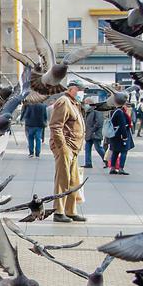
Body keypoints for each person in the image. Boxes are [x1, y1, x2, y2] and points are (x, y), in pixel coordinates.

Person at [47, 81, 86, 222]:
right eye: (79, 89)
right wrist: (62, 147)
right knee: (62, 180)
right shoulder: (64, 101)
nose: (81, 92)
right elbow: (55, 126)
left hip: (74, 147)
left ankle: (70, 211)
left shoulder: (74, 103)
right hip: (66, 147)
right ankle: (58, 211)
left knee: (74, 181)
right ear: (71, 89)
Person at [107, 102, 134, 174]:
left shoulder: (113, 111)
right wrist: (125, 136)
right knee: (124, 151)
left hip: (114, 135)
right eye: (126, 105)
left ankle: (112, 168)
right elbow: (122, 125)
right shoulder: (120, 113)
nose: (127, 107)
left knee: (115, 152)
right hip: (120, 136)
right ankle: (121, 168)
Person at [83, 101, 107, 168]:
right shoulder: (88, 112)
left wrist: (93, 130)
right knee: (87, 148)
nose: (85, 105)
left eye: (86, 103)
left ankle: (107, 161)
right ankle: (88, 163)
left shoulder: (96, 111)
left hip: (95, 133)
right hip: (89, 133)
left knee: (98, 148)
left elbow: (99, 122)